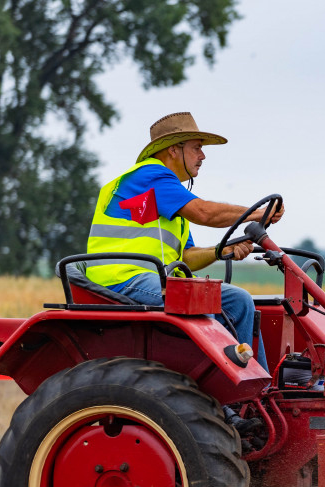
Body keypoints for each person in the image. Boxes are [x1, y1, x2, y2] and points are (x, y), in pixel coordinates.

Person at [85, 111, 282, 372]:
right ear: (173, 150)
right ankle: (218, 395)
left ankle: (255, 392)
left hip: (153, 279)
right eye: (197, 148)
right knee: (196, 299)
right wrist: (258, 213)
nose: (203, 156)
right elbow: (204, 212)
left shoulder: (172, 201)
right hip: (120, 280)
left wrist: (223, 250)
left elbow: (186, 257)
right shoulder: (150, 176)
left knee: (240, 301)